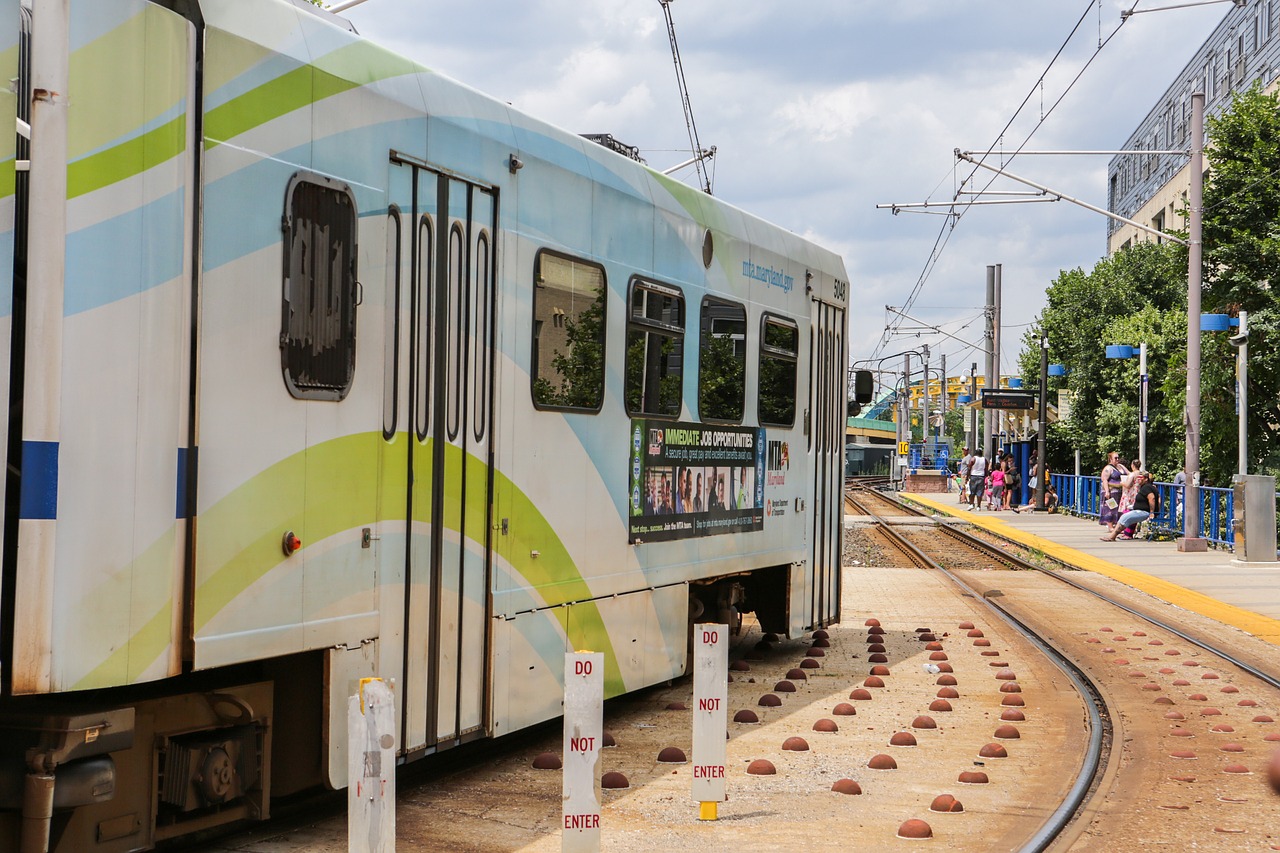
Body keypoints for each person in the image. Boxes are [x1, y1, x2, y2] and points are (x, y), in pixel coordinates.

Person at [1102, 470, 1159, 540]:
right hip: (1141, 510)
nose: (1138, 480)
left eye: (1141, 478)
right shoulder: (1150, 487)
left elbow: (1152, 498)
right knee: (1126, 516)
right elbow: (1159, 499)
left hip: (1144, 512)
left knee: (1124, 517)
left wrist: (1152, 512)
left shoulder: (1146, 487)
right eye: (1138, 478)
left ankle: (1112, 536)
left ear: (1146, 479)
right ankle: (1121, 535)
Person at [1099, 451, 1128, 534]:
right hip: (1111, 492)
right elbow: (1104, 480)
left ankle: (1117, 525)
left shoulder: (1121, 466)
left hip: (1120, 491)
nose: (1117, 459)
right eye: (1115, 458)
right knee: (1110, 508)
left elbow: (1128, 473)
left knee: (1119, 508)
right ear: (1110, 459)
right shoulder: (1108, 468)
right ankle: (1110, 526)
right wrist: (1107, 491)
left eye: (1118, 457)